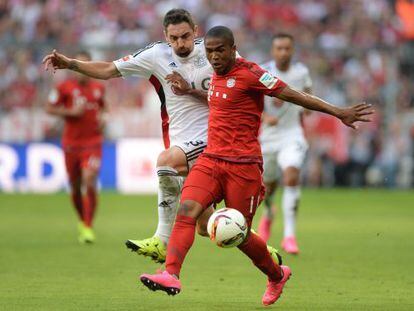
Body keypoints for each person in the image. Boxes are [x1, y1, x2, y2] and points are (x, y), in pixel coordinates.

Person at [140, 26, 373, 306]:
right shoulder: (215, 75)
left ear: (232, 48)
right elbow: (219, 101)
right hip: (211, 160)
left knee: (239, 235)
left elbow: (294, 95)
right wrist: (190, 90)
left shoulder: (251, 74)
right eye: (210, 51)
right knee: (187, 209)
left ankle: (276, 275)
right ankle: (171, 273)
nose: (214, 56)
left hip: (244, 166)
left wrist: (339, 112)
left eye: (220, 51)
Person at [42, 8, 281, 263]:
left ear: (195, 31)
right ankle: (261, 249)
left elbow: (243, 88)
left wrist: (192, 92)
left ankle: (161, 240)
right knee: (205, 227)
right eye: (174, 38)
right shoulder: (155, 55)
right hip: (180, 138)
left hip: (214, 138)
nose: (181, 43)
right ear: (166, 37)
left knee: (166, 162)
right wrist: (70, 64)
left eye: (186, 36)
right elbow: (108, 69)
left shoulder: (215, 51)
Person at [258, 33, 312, 254]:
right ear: (273, 51)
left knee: (291, 175)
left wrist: (308, 106)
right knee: (268, 186)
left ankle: (289, 236)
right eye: (279, 48)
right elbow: (250, 101)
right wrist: (263, 117)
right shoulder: (262, 72)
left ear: (293, 50)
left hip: (292, 134)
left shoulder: (301, 73)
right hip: (268, 137)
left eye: (287, 48)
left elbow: (308, 93)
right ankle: (269, 214)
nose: (283, 52)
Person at [45, 51, 106, 244]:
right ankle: (82, 220)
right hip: (71, 144)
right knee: (75, 186)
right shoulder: (64, 87)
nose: (83, 70)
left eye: (87, 65)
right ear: (74, 67)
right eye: (80, 65)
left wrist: (104, 118)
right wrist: (70, 111)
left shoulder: (98, 87)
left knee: (89, 180)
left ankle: (88, 226)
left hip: (93, 142)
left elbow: (104, 107)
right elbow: (49, 107)